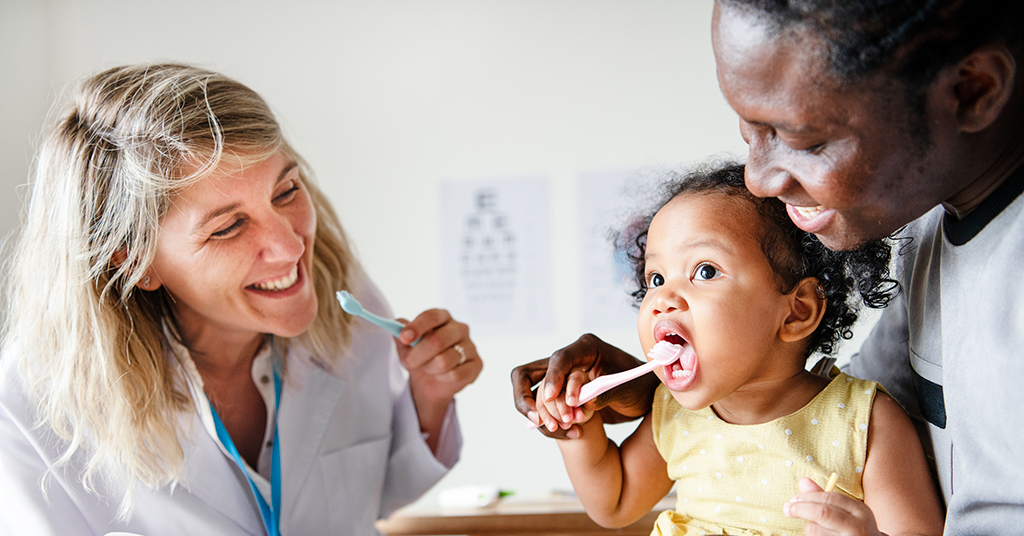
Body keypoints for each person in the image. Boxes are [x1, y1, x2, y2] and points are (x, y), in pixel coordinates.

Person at [513, 1, 1024, 533]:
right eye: (747, 134)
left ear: (972, 90)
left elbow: (852, 424)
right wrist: (640, 397)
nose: (758, 178)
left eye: (804, 140)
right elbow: (818, 398)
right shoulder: (925, 224)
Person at [0, 63, 482, 536]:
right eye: (229, 227)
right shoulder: (32, 404)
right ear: (135, 262)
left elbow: (375, 495)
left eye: (286, 190)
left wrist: (429, 397)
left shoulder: (346, 299)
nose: (292, 248)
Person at [541, 162, 943, 535]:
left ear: (795, 313)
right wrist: (578, 430)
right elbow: (615, 501)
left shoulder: (867, 422)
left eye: (705, 271)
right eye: (656, 278)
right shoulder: (677, 412)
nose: (661, 299)